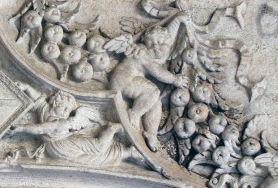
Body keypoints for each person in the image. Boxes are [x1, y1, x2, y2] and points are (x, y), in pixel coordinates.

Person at [107, 22, 187, 152]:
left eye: (161, 43)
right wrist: (174, 79)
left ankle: (151, 134)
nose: (156, 47)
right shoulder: (142, 51)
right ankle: (134, 113)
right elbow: (156, 70)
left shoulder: (151, 54)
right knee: (152, 91)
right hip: (123, 80)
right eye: (152, 44)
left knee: (156, 103)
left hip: (132, 81)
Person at [11, 90, 133, 166]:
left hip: (64, 146)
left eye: (68, 110)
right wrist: (26, 87)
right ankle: (113, 131)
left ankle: (118, 140)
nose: (66, 112)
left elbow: (40, 124)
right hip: (63, 146)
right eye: (64, 108)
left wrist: (22, 128)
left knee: (94, 152)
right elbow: (39, 128)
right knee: (96, 150)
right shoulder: (52, 116)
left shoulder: (57, 120)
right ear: (55, 103)